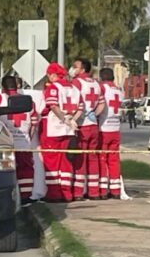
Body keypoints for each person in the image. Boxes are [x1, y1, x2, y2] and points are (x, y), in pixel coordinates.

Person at [40, 63, 81, 202]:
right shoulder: (75, 88)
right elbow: (80, 108)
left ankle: (54, 193)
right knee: (66, 162)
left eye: (49, 75)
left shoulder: (53, 87)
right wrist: (72, 121)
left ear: (53, 75)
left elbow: (53, 106)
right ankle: (67, 192)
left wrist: (64, 119)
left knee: (51, 161)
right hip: (69, 130)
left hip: (54, 129)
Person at [0, 76, 38, 204]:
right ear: (17, 86)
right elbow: (34, 124)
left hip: (5, 144)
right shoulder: (29, 102)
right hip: (24, 144)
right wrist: (27, 138)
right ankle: (25, 198)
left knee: (4, 170)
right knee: (26, 170)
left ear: (2, 88)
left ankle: (6, 198)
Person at [70, 58, 105, 200]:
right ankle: (94, 191)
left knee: (80, 158)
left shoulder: (76, 83)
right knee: (93, 158)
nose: (72, 69)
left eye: (75, 66)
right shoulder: (96, 84)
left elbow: (72, 103)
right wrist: (93, 115)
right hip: (93, 125)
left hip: (81, 125)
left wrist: (74, 119)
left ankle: (78, 192)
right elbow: (102, 105)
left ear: (82, 69)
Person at [98, 68, 123, 199]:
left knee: (102, 159)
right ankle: (115, 189)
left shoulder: (102, 88)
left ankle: (102, 190)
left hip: (103, 128)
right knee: (114, 160)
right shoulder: (118, 90)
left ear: (102, 77)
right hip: (116, 128)